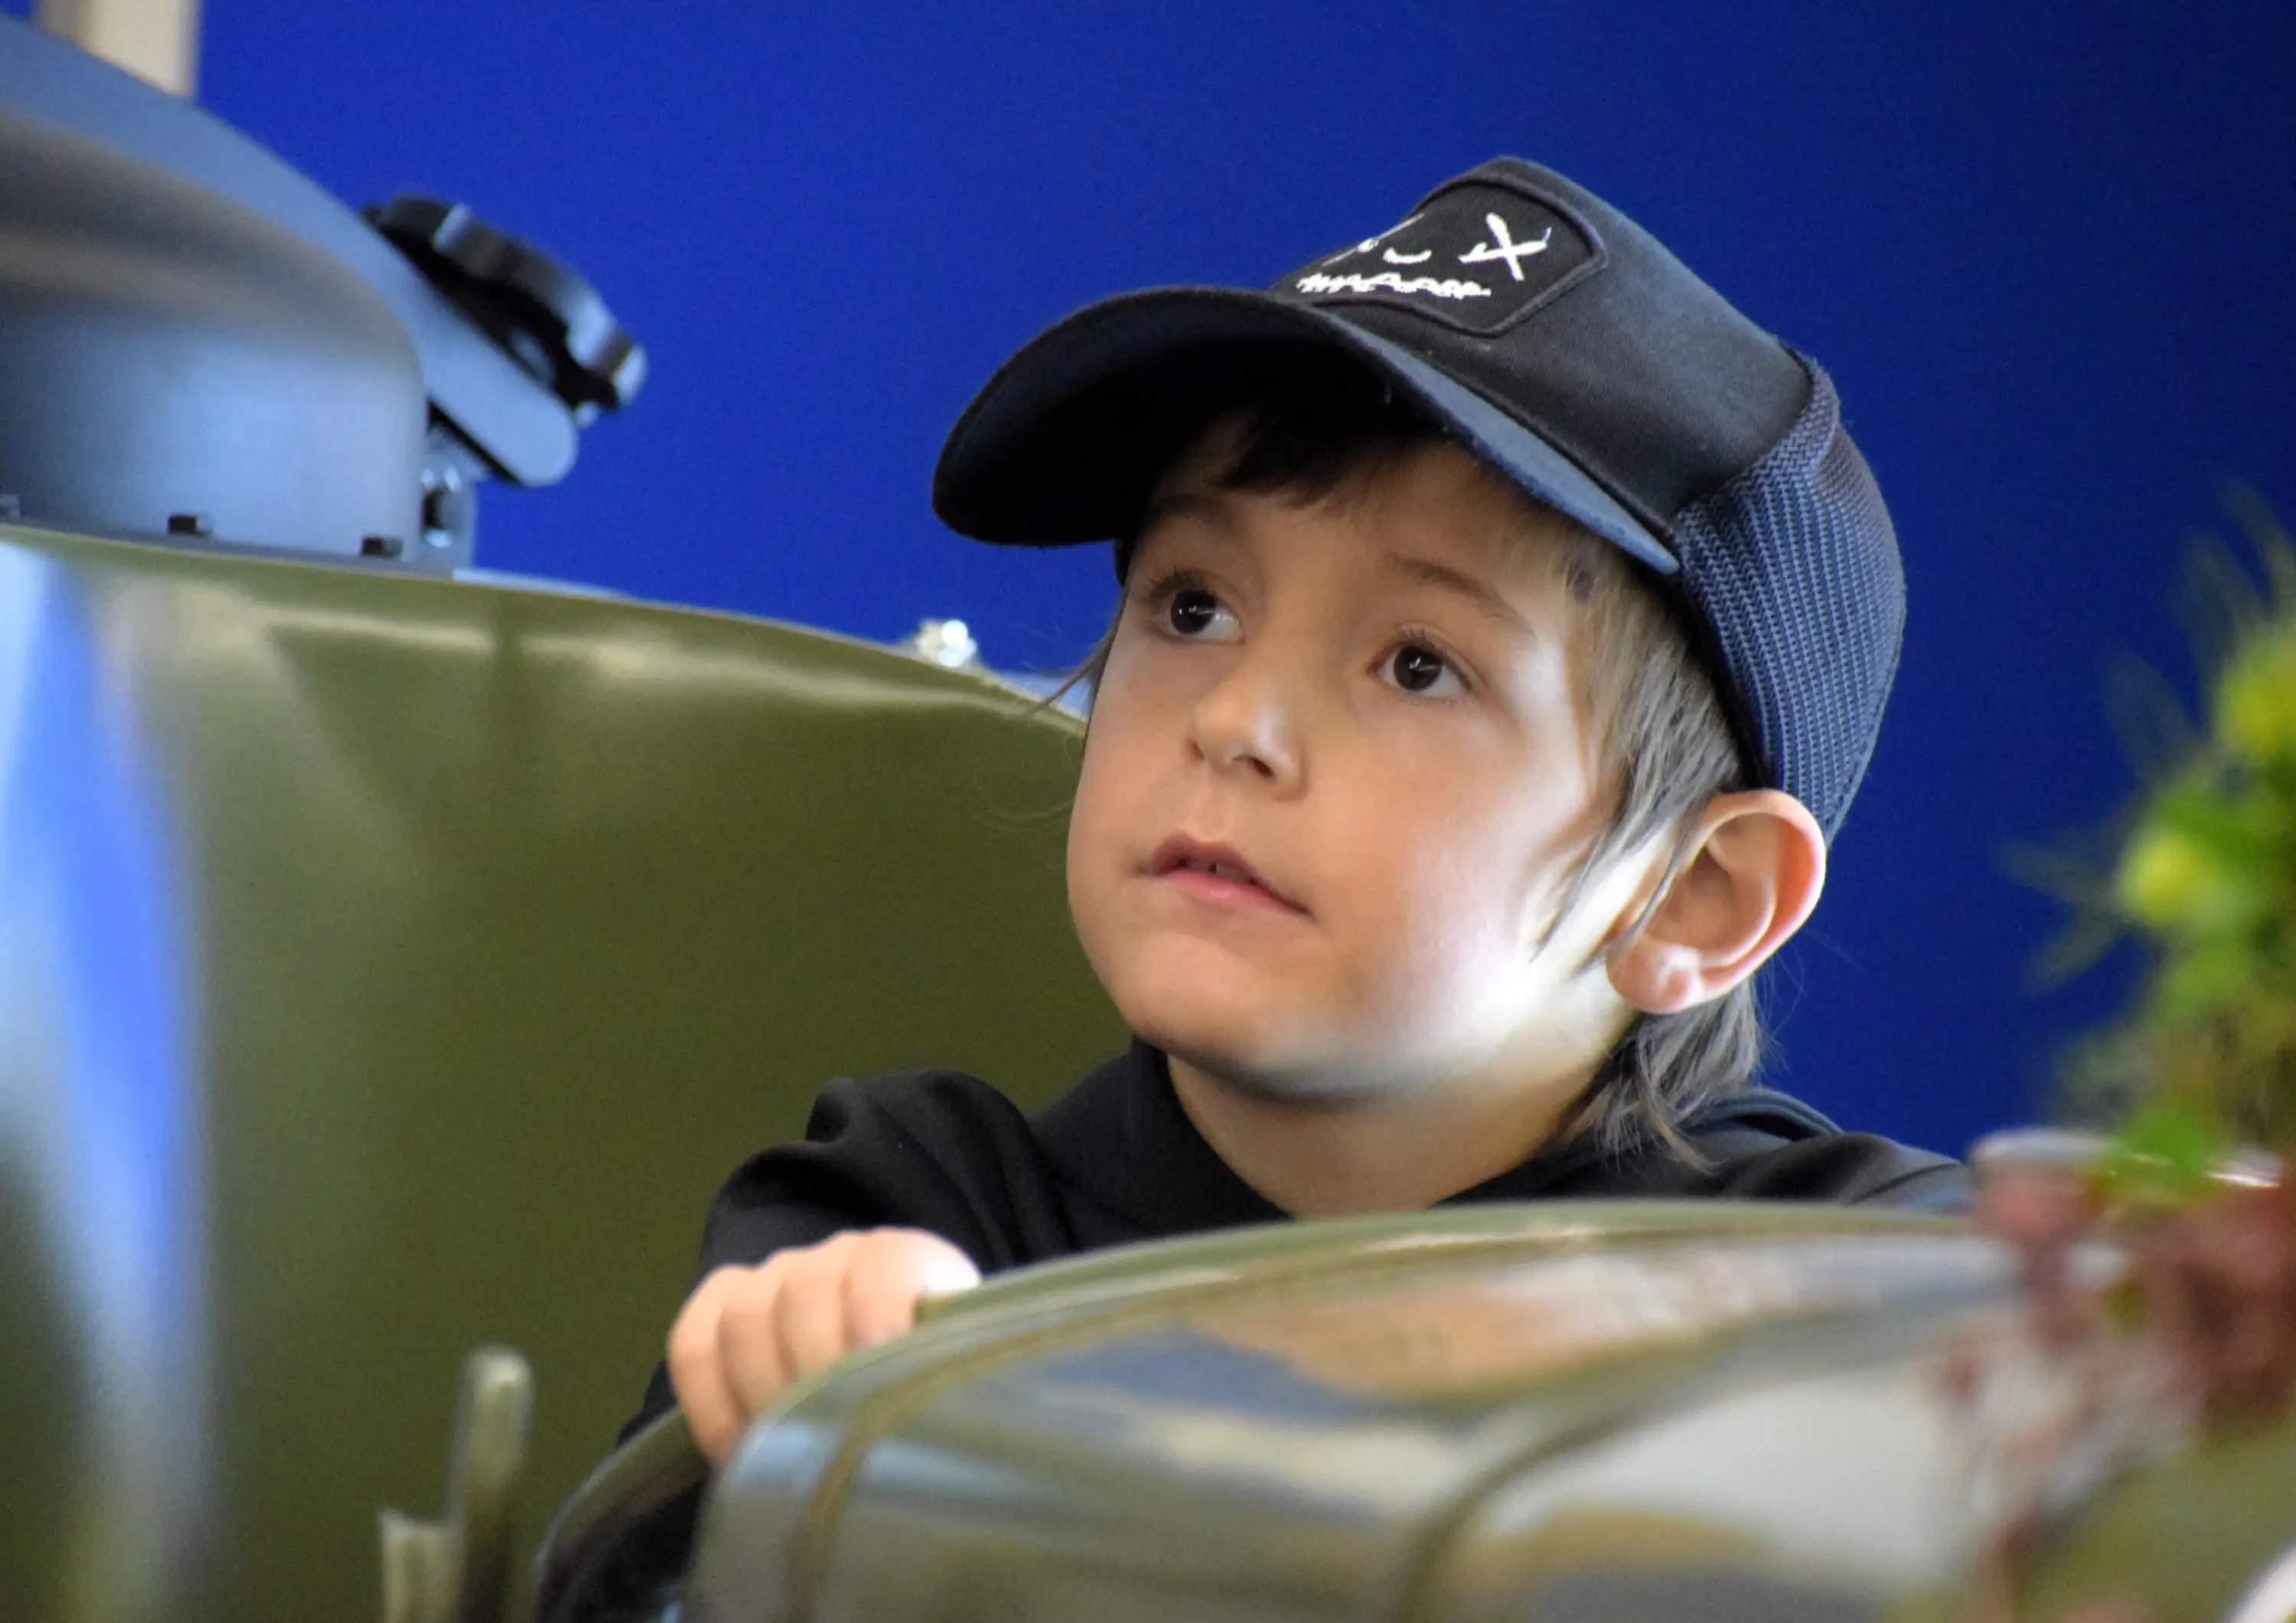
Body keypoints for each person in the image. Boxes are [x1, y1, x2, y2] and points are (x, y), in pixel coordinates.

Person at [637, 157, 1965, 1463]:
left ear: (1695, 894)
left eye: (1418, 666)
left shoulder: (1873, 1293)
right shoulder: (904, 1225)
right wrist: (824, 1416)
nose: (1236, 724)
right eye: (1193, 607)